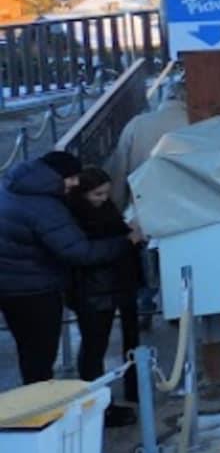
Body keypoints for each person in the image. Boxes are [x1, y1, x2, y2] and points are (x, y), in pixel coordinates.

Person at [0, 151, 141, 388]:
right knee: (41, 356)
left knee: (29, 352)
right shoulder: (44, 206)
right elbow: (80, 252)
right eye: (72, 177)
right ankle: (43, 406)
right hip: (37, 290)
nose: (75, 183)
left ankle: (37, 400)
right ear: (55, 176)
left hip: (11, 286)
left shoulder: (11, 188)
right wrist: (127, 242)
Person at [63, 169, 143, 422]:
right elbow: (89, 252)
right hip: (95, 289)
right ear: (83, 193)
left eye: (106, 193)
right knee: (94, 347)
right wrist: (128, 240)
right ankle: (97, 404)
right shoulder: (74, 216)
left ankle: (112, 397)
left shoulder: (91, 210)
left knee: (99, 346)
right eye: (97, 194)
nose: (103, 198)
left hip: (110, 285)